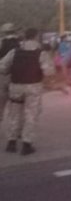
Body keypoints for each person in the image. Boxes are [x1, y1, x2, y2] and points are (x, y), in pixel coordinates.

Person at [1, 27, 53, 155]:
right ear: (36, 37)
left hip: (15, 86)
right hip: (33, 87)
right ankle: (26, 144)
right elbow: (49, 71)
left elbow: (2, 67)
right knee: (30, 115)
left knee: (15, 114)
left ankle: (11, 142)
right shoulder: (40, 53)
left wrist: (9, 71)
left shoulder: (14, 52)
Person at [0, 23, 20, 131]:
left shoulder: (0, 42)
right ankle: (16, 130)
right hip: (16, 77)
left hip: (2, 76)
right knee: (16, 105)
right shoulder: (20, 43)